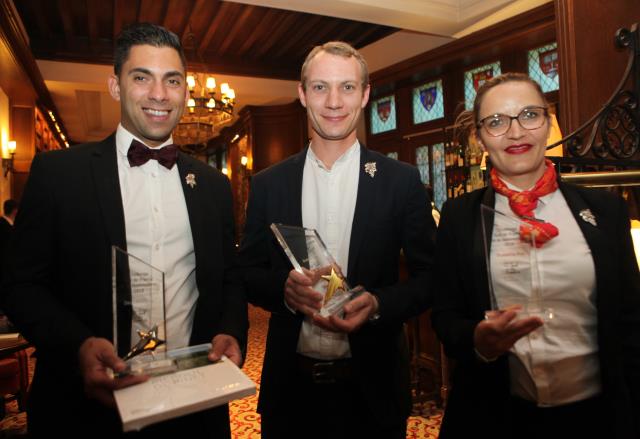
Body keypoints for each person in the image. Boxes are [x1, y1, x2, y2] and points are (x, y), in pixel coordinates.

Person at [1, 23, 246, 438]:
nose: (159, 94)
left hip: (192, 409)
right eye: (141, 78)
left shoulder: (213, 186)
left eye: (172, 80)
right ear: (115, 86)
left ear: (185, 90)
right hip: (84, 409)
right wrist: (78, 345)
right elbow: (20, 285)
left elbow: (230, 277)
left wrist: (230, 329)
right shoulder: (58, 175)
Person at [238, 41, 436, 438]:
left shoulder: (401, 181)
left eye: (347, 87)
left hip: (374, 393)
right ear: (302, 93)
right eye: (320, 87)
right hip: (291, 393)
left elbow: (432, 278)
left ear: (364, 95)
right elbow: (246, 272)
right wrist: (284, 290)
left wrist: (379, 303)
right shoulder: (268, 185)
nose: (333, 101)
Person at [431, 72, 640, 439]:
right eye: (496, 122)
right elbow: (446, 318)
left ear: (548, 124)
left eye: (529, 115)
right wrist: (479, 340)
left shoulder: (605, 211)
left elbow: (631, 319)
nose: (516, 133)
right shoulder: (460, 217)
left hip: (597, 419)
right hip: (496, 417)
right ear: (479, 138)